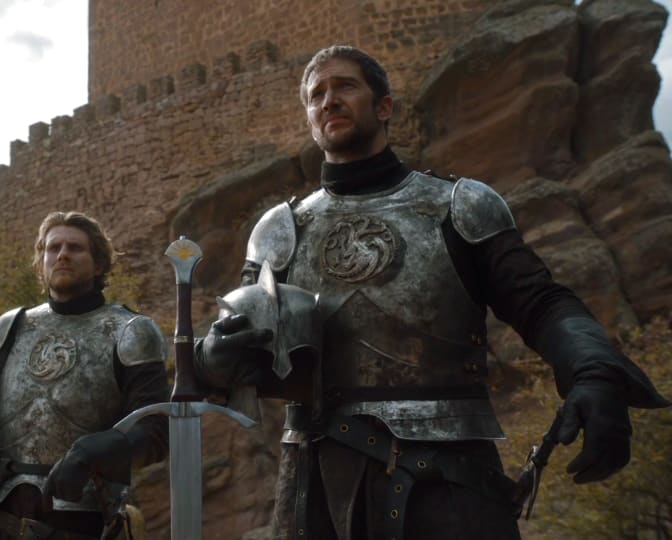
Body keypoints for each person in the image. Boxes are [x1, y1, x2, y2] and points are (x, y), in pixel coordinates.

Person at [193, 45, 669, 540]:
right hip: (315, 494)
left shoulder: (459, 206)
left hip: (450, 485)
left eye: (345, 86)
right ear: (311, 121)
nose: (328, 100)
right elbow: (237, 345)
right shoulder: (279, 231)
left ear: (384, 107)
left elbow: (540, 302)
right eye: (316, 95)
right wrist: (213, 356)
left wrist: (593, 370)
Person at [0, 211, 169, 540]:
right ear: (41, 263)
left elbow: (156, 430)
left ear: (99, 264)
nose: (62, 254)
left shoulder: (131, 331)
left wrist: (98, 451)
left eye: (75, 248)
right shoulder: (11, 327)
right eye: (53, 248)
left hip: (83, 517)